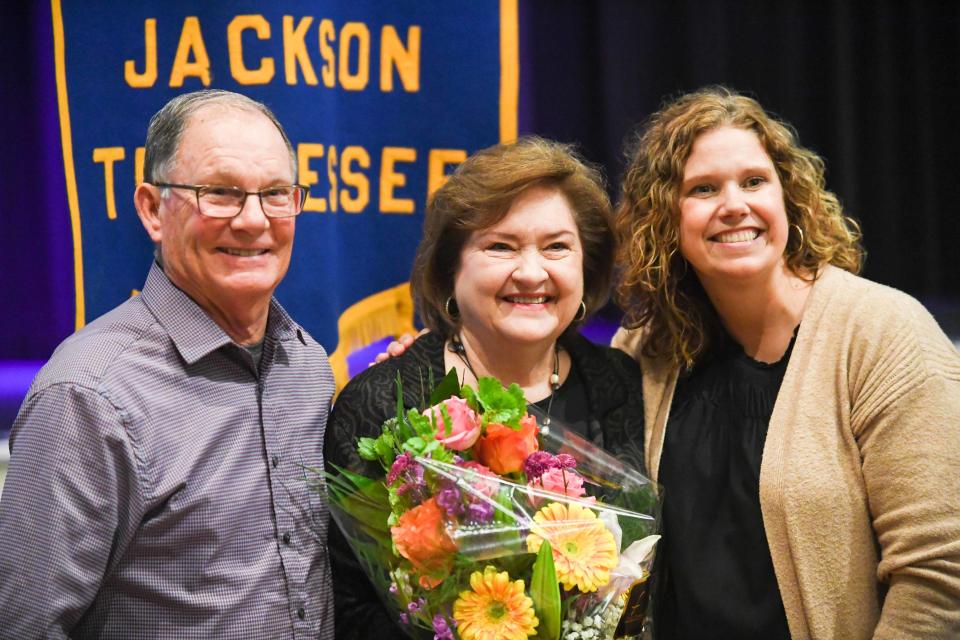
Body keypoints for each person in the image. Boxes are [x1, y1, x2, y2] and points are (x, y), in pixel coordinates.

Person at [613, 86, 960, 639]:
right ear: (664, 221)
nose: (734, 204)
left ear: (789, 200)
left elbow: (942, 574)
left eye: (754, 181)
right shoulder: (643, 352)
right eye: (704, 188)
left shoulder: (882, 333)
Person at [0, 90, 335, 639]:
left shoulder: (306, 365)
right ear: (153, 209)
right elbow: (24, 626)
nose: (254, 221)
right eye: (221, 193)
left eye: (276, 194)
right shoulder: (87, 396)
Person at [324, 136, 646, 638]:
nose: (532, 272)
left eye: (557, 246)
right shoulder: (383, 402)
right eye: (501, 246)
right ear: (451, 269)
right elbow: (353, 605)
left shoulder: (624, 383)